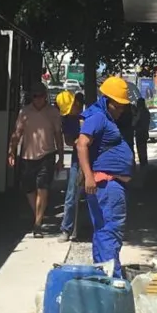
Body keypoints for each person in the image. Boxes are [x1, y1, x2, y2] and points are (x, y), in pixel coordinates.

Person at [76, 77, 135, 277]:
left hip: (106, 185)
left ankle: (102, 276)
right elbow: (81, 144)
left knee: (103, 232)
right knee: (111, 233)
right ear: (107, 100)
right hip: (107, 185)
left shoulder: (105, 117)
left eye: (122, 107)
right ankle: (114, 280)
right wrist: (89, 177)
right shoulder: (99, 117)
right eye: (117, 106)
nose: (121, 110)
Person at [8, 82, 64, 238]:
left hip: (47, 155)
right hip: (27, 156)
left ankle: (38, 224)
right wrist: (11, 151)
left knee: (42, 188)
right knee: (28, 188)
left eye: (40, 96)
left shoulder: (53, 113)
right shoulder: (24, 112)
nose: (38, 99)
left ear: (45, 96)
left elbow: (58, 136)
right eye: (35, 96)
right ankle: (38, 214)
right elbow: (17, 133)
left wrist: (60, 157)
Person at [57, 89, 85, 242]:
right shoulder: (68, 120)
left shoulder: (88, 115)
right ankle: (66, 229)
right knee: (71, 194)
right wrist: (79, 142)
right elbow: (68, 140)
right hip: (77, 160)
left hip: (94, 158)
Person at [133, 97, 150, 169]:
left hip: (140, 132)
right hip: (145, 132)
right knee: (144, 149)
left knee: (140, 149)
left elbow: (135, 122)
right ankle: (144, 163)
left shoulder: (140, 112)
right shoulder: (147, 112)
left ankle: (143, 164)